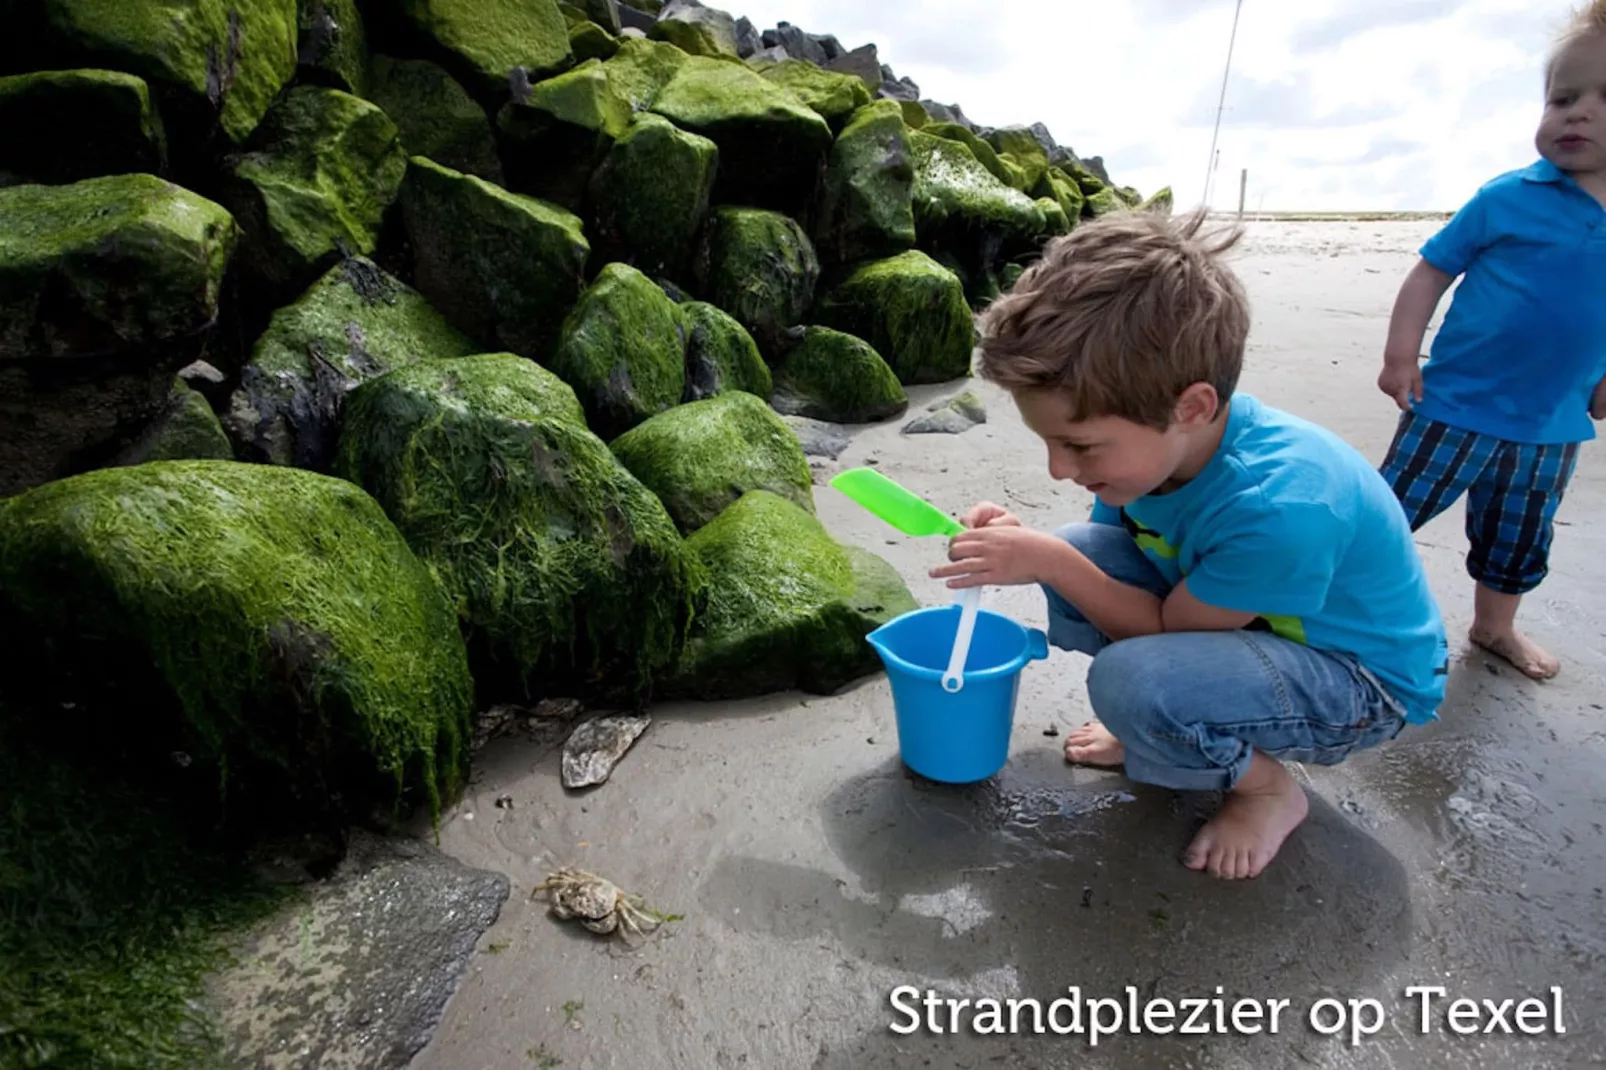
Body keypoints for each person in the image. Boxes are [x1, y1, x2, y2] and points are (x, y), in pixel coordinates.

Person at [930, 209, 1449, 881]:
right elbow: (1115, 559)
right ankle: (1174, 722)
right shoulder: (1157, 450)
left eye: (1079, 446)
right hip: (1258, 631)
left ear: (1192, 407)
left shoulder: (1280, 504)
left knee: (1128, 674)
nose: (1059, 468)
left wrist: (1044, 562)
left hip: (1362, 683)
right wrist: (1028, 544)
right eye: (1050, 443)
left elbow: (1164, 627)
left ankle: (1264, 789)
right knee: (1080, 546)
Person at [1375, 0, 1606, 681]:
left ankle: (1494, 626)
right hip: (1454, 405)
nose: (1578, 113)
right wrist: (1400, 355)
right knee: (1388, 514)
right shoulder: (1508, 197)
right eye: (1562, 97)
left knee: (1518, 537)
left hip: (1552, 425)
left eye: (1604, 97)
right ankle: (1329, 603)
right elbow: (1431, 272)